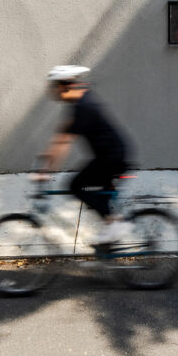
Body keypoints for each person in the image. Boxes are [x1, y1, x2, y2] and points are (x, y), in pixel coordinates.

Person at [35, 66, 130, 246]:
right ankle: (109, 242)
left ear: (63, 87)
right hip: (111, 155)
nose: (52, 91)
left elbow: (64, 143)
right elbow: (61, 134)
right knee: (100, 198)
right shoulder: (82, 100)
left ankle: (115, 225)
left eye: (53, 87)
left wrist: (46, 171)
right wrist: (47, 157)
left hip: (111, 158)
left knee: (75, 185)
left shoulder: (84, 107)